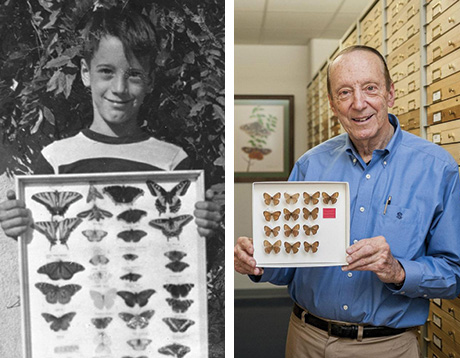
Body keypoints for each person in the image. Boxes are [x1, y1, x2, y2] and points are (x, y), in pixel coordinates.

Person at [234, 45, 460, 358]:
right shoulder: (310, 165)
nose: (358, 103)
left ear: (390, 94)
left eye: (370, 88)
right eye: (344, 92)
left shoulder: (437, 168)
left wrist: (398, 271)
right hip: (306, 339)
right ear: (332, 104)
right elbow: (287, 265)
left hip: (387, 347)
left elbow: (453, 273)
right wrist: (258, 262)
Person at [0, 6, 221, 239]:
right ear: (85, 72)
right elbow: (39, 241)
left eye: (134, 74)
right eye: (106, 71)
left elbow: (185, 244)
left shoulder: (173, 162)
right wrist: (19, 224)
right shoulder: (55, 160)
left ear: (151, 79)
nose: (119, 88)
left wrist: (206, 224)